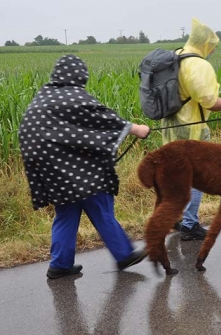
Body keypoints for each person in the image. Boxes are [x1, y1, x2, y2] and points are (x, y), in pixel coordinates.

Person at [18, 54, 151, 279]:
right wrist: (137, 129)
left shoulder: (44, 95)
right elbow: (103, 119)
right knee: (98, 201)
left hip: (46, 167)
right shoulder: (73, 95)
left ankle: (60, 265)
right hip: (69, 166)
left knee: (66, 211)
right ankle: (124, 254)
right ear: (78, 75)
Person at [162, 18, 221, 241]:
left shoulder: (176, 55)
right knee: (196, 177)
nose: (214, 50)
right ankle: (190, 225)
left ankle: (173, 218)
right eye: (213, 46)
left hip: (170, 127)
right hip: (192, 129)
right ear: (205, 44)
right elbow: (210, 101)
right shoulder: (199, 65)